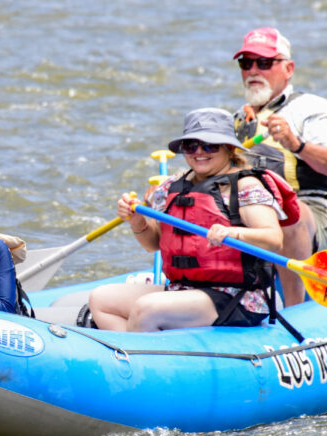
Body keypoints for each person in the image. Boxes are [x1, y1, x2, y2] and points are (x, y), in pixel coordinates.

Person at [87, 108, 286, 332]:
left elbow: (274, 239)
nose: (199, 152)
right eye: (191, 146)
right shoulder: (171, 186)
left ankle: (139, 354)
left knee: (146, 308)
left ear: (229, 148)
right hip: (181, 289)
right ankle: (140, 350)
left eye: (209, 145)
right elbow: (152, 243)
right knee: (100, 299)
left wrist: (235, 233)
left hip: (234, 295)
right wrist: (137, 221)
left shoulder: (244, 187)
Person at [230, 27, 327, 306]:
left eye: (264, 63)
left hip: (306, 217)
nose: (254, 71)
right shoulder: (237, 119)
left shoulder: (311, 109)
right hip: (249, 212)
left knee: (286, 211)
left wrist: (297, 145)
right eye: (246, 64)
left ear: (288, 68)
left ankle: (296, 308)